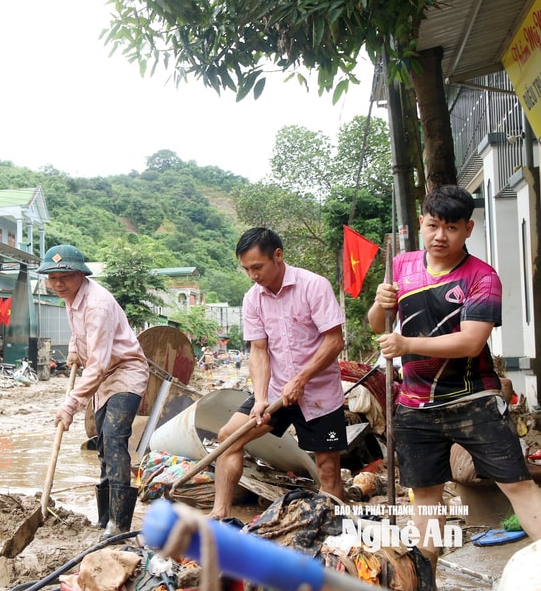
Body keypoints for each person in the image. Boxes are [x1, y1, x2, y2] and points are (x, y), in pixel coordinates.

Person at [368, 185, 541, 558]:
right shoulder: (402, 266)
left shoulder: (482, 277)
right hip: (415, 406)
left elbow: (471, 342)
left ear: (468, 229)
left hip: (474, 400)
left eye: (451, 227)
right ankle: (426, 579)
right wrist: (380, 304)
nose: (440, 236)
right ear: (421, 224)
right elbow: (378, 324)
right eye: (433, 226)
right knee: (426, 499)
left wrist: (407, 344)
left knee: (518, 486)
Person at [208, 228, 347, 519]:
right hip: (275, 392)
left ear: (278, 256)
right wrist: (260, 397)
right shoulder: (252, 298)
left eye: (257, 267)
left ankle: (328, 530)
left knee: (328, 469)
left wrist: (301, 379)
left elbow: (334, 341)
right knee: (229, 437)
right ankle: (220, 516)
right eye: (246, 269)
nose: (252, 275)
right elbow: (259, 350)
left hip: (320, 396)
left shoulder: (313, 286)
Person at [38, 244, 149, 538]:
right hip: (102, 376)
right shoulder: (71, 298)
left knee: (114, 440)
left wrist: (70, 406)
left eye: (65, 277)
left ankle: (119, 524)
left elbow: (98, 365)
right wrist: (74, 350)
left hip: (125, 372)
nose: (58, 284)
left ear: (81, 275)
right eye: (52, 278)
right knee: (101, 444)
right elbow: (80, 333)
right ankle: (103, 519)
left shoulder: (97, 305)